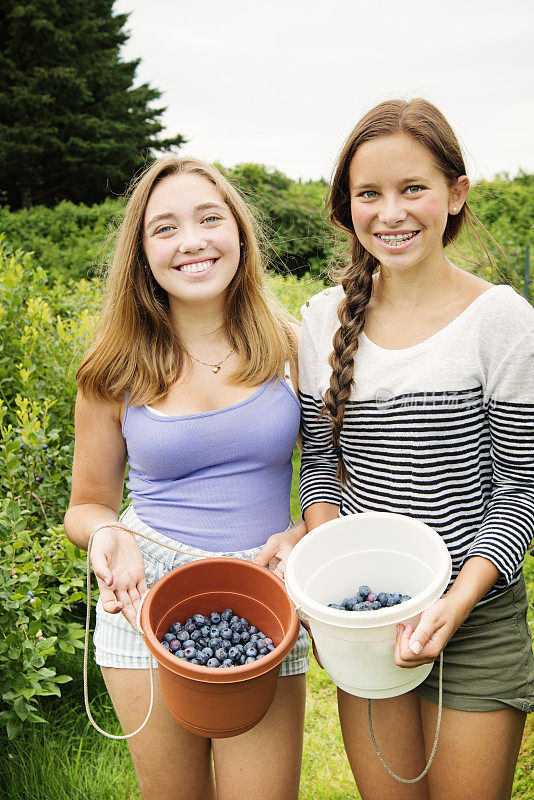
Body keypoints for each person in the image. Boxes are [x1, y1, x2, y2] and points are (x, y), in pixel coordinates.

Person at [298, 99, 534, 800]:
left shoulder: (502, 321)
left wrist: (455, 603)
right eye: (369, 194)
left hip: (476, 614)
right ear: (347, 207)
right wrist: (328, 591)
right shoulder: (319, 320)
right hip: (366, 619)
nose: (391, 213)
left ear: (455, 194)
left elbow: (521, 488)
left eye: (413, 189)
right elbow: (318, 473)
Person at [64, 155, 309, 800]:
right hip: (147, 595)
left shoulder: (292, 348)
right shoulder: (111, 368)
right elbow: (87, 505)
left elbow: (335, 480)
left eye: (209, 219)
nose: (192, 241)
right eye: (165, 228)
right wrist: (106, 538)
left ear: (239, 233)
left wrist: (304, 533)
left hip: (264, 595)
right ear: (142, 253)